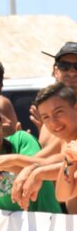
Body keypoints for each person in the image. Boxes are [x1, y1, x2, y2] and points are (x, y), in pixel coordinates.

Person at [14, 83, 77, 212]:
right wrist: (33, 169)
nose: (53, 122)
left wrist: (38, 173)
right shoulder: (67, 144)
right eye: (46, 117)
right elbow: (62, 194)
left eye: (58, 112)